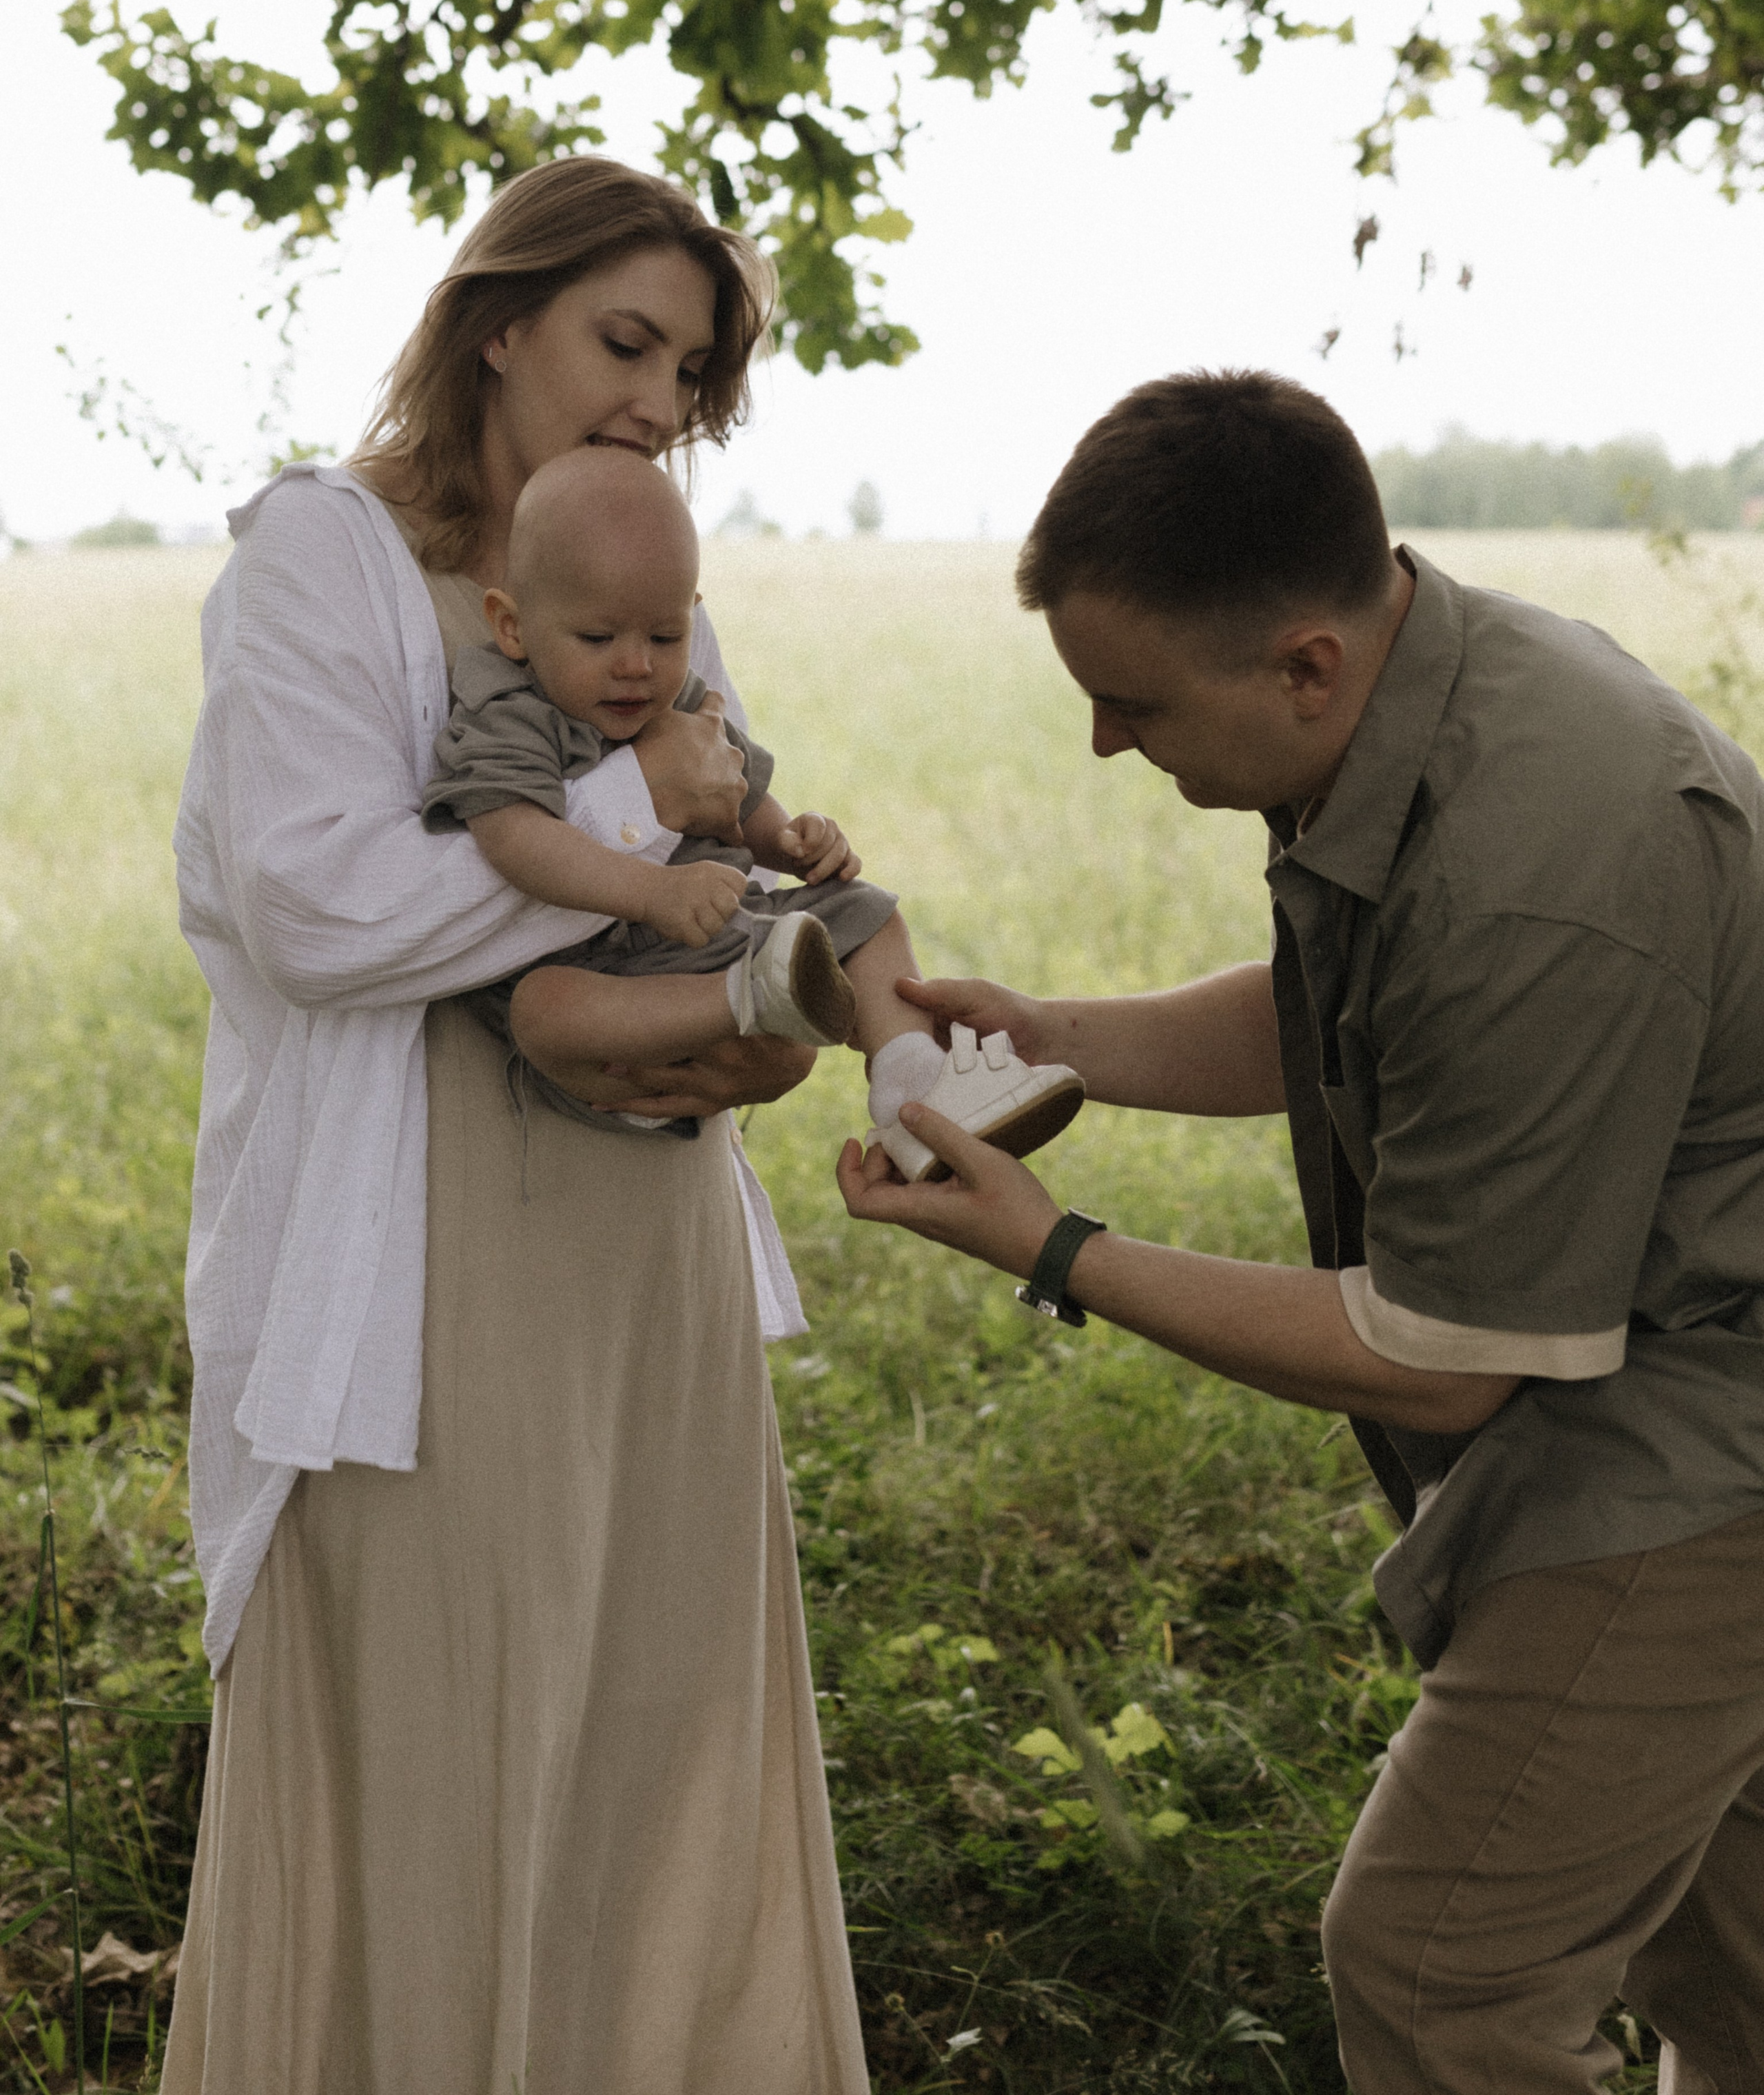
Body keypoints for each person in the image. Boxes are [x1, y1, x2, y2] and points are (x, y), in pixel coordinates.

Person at [837, 368, 1764, 2094]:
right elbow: (1357, 1012)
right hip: (1649, 1381)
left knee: (1434, 1969)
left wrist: (1055, 1246)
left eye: (1129, 700)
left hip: (1701, 1443)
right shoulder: (1433, 690)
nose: (1106, 741)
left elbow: (1443, 1357)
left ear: (1304, 664)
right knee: (1735, 1984)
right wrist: (1059, 1036)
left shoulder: (1538, 851)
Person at [165, 156, 872, 2094]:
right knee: (450, 1722)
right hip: (418, 1252)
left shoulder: (632, 552)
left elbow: (715, 847)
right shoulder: (324, 554)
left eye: (693, 366)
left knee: (654, 1733)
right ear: (499, 322)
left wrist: (767, 1020)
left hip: (645, 1228)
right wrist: (641, 815)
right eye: (623, 338)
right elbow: (317, 914)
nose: (661, 395)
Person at [420, 440, 1085, 1169]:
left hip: (719, 935)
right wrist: (651, 889)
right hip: (606, 977)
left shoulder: (675, 700)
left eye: (665, 634)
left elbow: (741, 798)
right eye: (598, 636)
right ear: (512, 625)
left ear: (691, 617)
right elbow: (512, 836)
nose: (636, 663)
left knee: (871, 913)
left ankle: (909, 1085)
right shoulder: (507, 709)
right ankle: (751, 997)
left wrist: (794, 842)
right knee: (541, 1009)